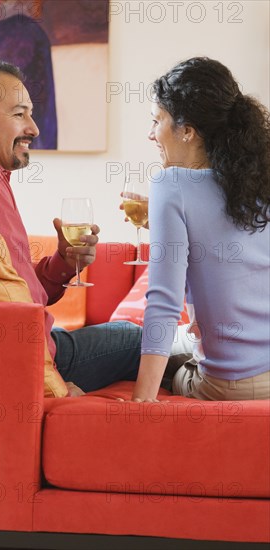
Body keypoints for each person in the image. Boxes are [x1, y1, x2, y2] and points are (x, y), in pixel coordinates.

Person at [0, 58, 192, 396]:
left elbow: (10, 288)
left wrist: (61, 262)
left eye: (29, 113)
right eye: (18, 114)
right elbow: (18, 313)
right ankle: (213, 376)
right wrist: (53, 387)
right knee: (139, 336)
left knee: (123, 334)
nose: (34, 128)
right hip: (30, 360)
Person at [132, 57, 270, 402]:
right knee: (179, 337)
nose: (151, 133)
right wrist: (160, 221)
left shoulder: (170, 184)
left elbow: (164, 301)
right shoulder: (258, 181)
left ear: (187, 130)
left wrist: (141, 402)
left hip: (229, 386)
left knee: (123, 345)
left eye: (157, 120)